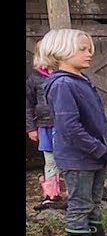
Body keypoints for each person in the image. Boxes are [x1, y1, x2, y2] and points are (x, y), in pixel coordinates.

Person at [41, 29, 107, 236]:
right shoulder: (62, 84)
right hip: (78, 158)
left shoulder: (80, 80)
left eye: (89, 48)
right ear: (61, 51)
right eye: (82, 49)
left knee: (93, 203)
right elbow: (69, 127)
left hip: (93, 156)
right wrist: (98, 148)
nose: (89, 53)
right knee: (80, 206)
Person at [27, 42, 65, 210]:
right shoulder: (34, 78)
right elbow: (28, 105)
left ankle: (75, 192)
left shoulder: (65, 75)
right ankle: (51, 195)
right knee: (50, 159)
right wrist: (31, 128)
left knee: (68, 157)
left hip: (64, 126)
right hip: (45, 126)